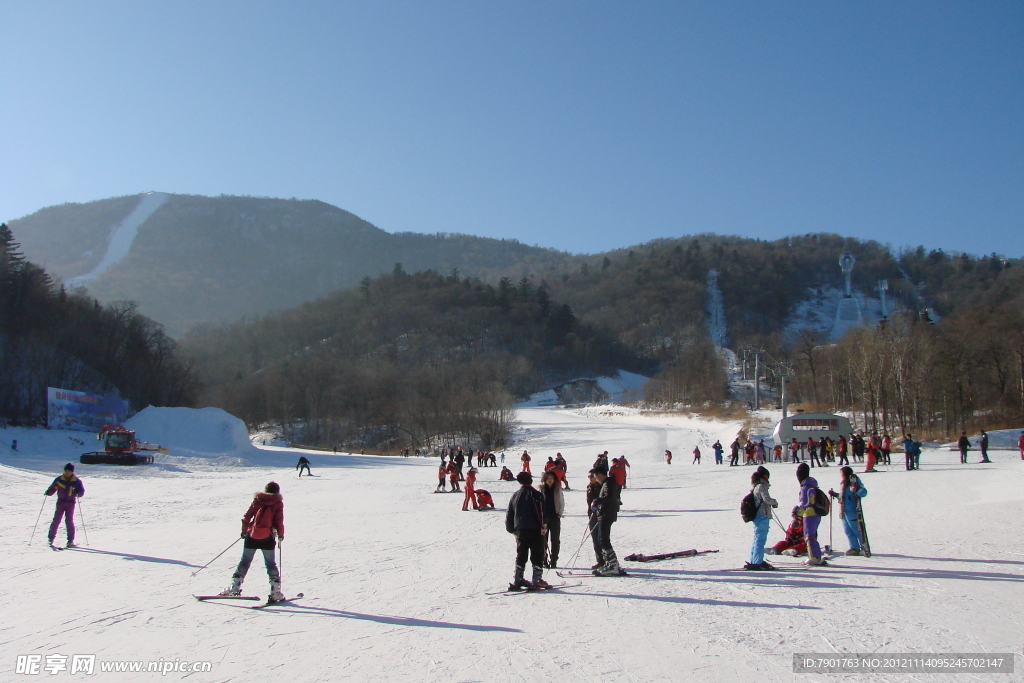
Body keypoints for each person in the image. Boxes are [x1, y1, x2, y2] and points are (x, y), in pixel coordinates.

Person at [221, 481, 285, 601]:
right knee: (270, 564)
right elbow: (279, 521)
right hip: (268, 537)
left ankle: (234, 587)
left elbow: (247, 517)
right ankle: (275, 591)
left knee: (245, 561)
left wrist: (244, 531)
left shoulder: (258, 500)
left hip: (252, 535)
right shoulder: (278, 503)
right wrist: (281, 535)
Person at [505, 472, 548, 590]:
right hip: (535, 529)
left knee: (521, 553)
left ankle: (518, 578)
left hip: (520, 529)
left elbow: (510, 514)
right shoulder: (537, 495)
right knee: (537, 554)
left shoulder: (515, 495)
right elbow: (543, 512)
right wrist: (544, 526)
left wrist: (512, 530)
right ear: (530, 480)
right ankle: (537, 579)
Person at [590, 465, 626, 576]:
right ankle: (610, 563)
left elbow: (610, 498)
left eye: (596, 477)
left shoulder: (609, 483)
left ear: (600, 475)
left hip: (607, 515)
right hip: (604, 514)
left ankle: (613, 565)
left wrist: (597, 501)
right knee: (602, 540)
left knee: (603, 540)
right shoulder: (607, 483)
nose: (596, 479)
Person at [829, 466, 868, 556]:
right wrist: (835, 494)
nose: (841, 476)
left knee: (857, 529)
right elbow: (844, 496)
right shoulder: (843, 484)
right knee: (848, 531)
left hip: (852, 510)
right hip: (844, 510)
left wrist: (856, 489)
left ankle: (864, 547)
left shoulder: (853, 482)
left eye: (842, 474)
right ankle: (854, 547)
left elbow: (863, 492)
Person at [745, 467, 778, 570]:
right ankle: (757, 562)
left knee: (756, 539)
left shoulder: (755, 486)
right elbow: (766, 499)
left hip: (757, 516)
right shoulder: (762, 486)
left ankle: (754, 559)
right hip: (763, 515)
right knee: (760, 539)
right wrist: (775, 502)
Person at [45, 463, 85, 548]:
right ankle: (50, 539)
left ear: (72, 472)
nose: (67, 473)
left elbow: (82, 492)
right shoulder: (59, 480)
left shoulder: (77, 481)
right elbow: (53, 488)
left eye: (69, 471)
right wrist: (49, 492)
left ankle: (70, 541)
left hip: (70, 503)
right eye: (66, 471)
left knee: (69, 521)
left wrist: (77, 492)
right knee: (56, 520)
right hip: (61, 502)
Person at [795, 463, 826, 566]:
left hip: (809, 514)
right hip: (816, 513)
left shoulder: (805, 488)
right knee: (812, 535)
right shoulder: (812, 485)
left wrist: (797, 512)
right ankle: (816, 556)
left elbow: (805, 503)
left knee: (809, 536)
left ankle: (813, 557)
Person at [539, 471, 564, 568]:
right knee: (543, 540)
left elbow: (561, 502)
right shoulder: (541, 490)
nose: (550, 481)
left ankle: (554, 560)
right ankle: (544, 559)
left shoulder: (558, 490)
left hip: (554, 517)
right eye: (548, 478)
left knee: (555, 539)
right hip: (543, 518)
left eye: (552, 479)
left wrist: (559, 513)